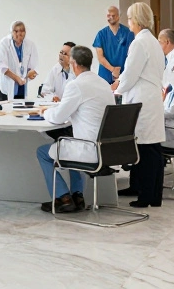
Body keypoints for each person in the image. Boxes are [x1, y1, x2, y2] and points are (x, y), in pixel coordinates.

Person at [35, 45, 115, 213]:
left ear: (74, 64)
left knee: (43, 152)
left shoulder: (76, 85)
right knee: (68, 143)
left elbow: (58, 117)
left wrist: (45, 111)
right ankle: (77, 196)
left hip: (89, 149)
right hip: (108, 149)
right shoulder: (103, 83)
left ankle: (63, 198)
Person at [115, 2, 165, 208]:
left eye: (129, 18)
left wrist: (116, 89)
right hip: (151, 98)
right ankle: (148, 193)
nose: (128, 22)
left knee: (146, 151)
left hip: (143, 101)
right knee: (151, 149)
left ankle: (146, 196)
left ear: (136, 20)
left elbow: (130, 74)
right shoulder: (152, 41)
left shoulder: (139, 43)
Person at [0, 21, 39, 100]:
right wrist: (17, 78)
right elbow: (2, 66)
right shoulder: (4, 43)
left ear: (25, 32)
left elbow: (34, 64)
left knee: (21, 104)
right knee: (9, 104)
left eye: (22, 31)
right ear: (11, 32)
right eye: (16, 31)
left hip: (23, 83)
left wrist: (32, 72)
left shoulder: (30, 44)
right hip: (9, 83)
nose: (19, 34)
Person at [93, 6, 135, 85]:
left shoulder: (128, 33)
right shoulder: (101, 34)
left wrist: (119, 73)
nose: (111, 17)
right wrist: (113, 70)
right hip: (105, 76)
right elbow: (100, 57)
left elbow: (132, 55)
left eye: (114, 15)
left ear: (118, 16)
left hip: (123, 75)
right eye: (109, 15)